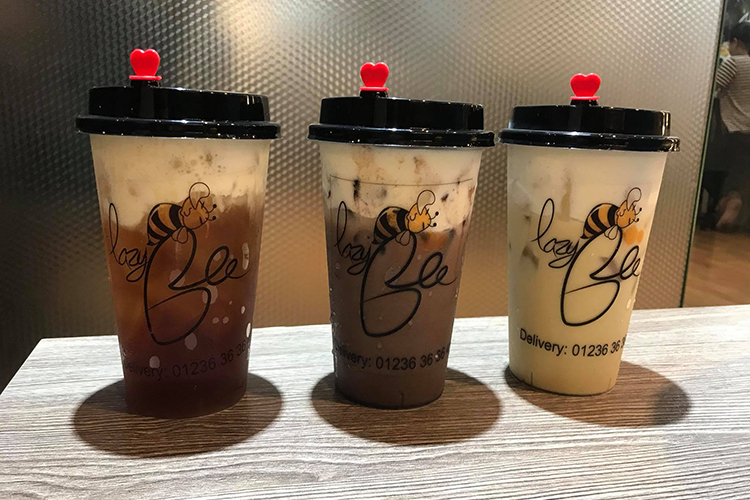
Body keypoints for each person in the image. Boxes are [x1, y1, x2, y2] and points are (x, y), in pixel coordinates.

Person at [712, 22, 750, 230]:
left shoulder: (733, 63)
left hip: (733, 128)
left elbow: (712, 88)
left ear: (736, 42)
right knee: (738, 172)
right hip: (748, 131)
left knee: (712, 168)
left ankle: (727, 201)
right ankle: (730, 200)